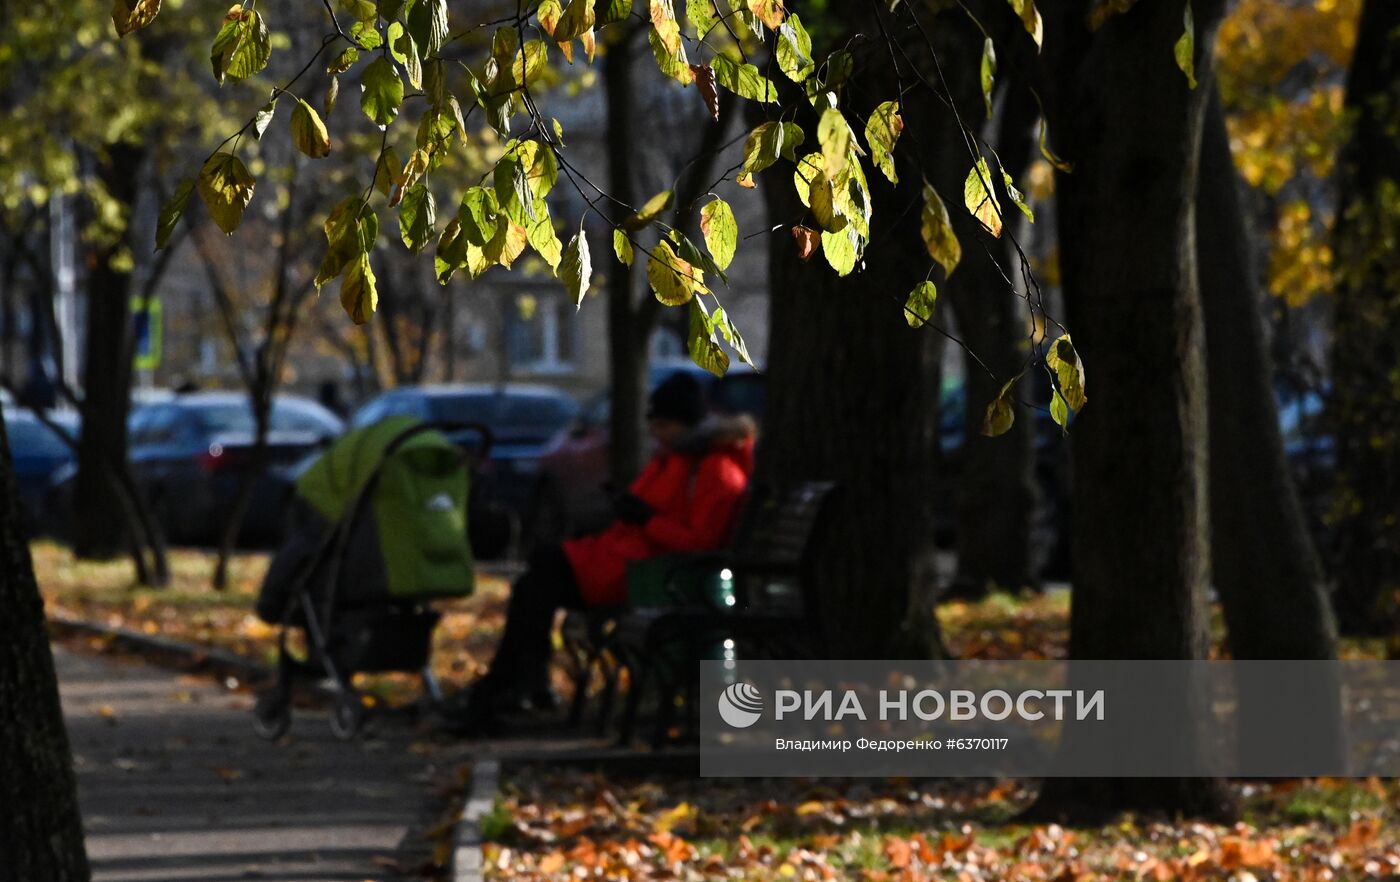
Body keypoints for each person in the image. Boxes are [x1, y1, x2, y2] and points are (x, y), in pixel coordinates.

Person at [454, 372, 755, 722]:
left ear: (685, 425)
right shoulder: (674, 461)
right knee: (536, 577)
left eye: (663, 425)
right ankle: (519, 682)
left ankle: (513, 683)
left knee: (540, 576)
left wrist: (645, 519)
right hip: (631, 562)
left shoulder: (714, 470)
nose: (656, 433)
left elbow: (702, 541)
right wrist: (628, 510)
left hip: (655, 575)